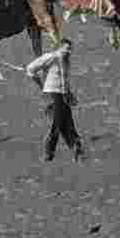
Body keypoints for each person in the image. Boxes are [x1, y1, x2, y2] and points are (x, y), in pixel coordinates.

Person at [31, 23, 84, 159]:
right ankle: (49, 152)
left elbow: (64, 80)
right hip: (52, 93)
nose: (68, 52)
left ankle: (76, 148)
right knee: (58, 122)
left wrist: (70, 94)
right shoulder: (51, 57)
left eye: (70, 49)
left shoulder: (66, 62)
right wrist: (40, 84)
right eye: (66, 49)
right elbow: (31, 69)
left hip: (63, 94)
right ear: (59, 48)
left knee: (68, 122)